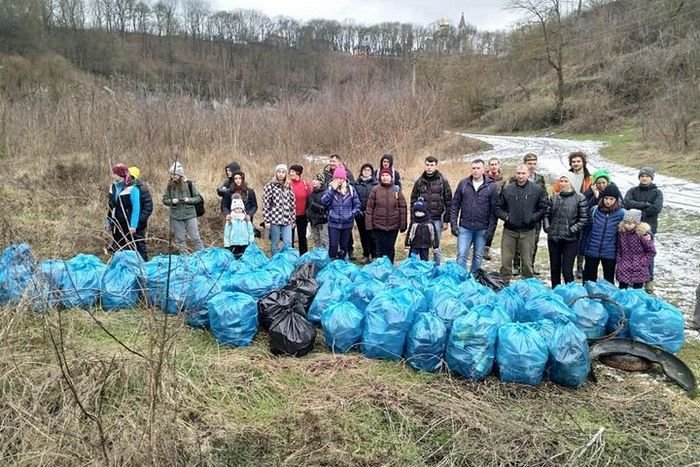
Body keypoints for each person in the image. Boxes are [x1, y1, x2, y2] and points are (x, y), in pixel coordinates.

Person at [495, 164, 548, 284]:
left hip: (528, 230)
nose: (521, 176)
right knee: (506, 259)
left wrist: (532, 218)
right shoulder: (508, 189)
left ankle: (527, 283)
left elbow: (543, 207)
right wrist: (506, 217)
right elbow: (498, 207)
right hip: (510, 230)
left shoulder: (536, 189)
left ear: (528, 174)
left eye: (523, 173)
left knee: (527, 260)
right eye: (518, 173)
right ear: (515, 174)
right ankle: (504, 283)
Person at [450, 159, 499, 273]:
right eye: (473, 168)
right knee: (461, 255)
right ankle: (460, 278)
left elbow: (494, 211)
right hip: (465, 227)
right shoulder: (463, 184)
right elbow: (455, 205)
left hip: (482, 228)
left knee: (477, 256)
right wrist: (453, 224)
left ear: (483, 169)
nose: (475, 171)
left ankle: (474, 279)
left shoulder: (491, 187)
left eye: (478, 168)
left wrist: (491, 229)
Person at [543, 173, 588, 287]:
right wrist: (548, 228)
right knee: (554, 268)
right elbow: (546, 215)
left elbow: (583, 219)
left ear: (571, 183)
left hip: (570, 239)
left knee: (567, 270)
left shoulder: (579, 198)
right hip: (554, 238)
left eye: (566, 181)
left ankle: (570, 292)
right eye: (561, 181)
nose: (563, 184)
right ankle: (555, 291)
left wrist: (572, 230)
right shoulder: (554, 198)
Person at [624, 166, 663, 293]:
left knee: (647, 254)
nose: (644, 178)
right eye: (642, 176)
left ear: (651, 178)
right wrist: (645, 205)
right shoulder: (633, 190)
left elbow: (656, 208)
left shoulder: (657, 193)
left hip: (648, 228)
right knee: (631, 253)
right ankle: (631, 278)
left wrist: (639, 212)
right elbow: (627, 203)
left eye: (647, 176)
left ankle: (649, 280)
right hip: (631, 228)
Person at [410, 156, 452, 264]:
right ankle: (419, 267)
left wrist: (447, 221)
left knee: (436, 245)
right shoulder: (419, 182)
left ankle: (436, 268)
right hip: (420, 219)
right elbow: (413, 201)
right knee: (418, 244)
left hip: (436, 218)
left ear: (436, 166)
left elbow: (448, 201)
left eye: (432, 165)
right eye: (427, 165)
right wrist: (413, 218)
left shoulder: (443, 181)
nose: (429, 167)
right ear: (425, 165)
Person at [580, 184, 625, 283]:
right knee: (589, 278)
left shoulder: (622, 214)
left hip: (610, 252)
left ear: (616, 200)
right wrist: (583, 248)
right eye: (606, 198)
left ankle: (606, 297)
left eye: (611, 199)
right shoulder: (594, 210)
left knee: (608, 279)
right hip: (592, 250)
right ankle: (588, 296)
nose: (608, 201)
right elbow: (586, 230)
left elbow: (632, 229)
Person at [512, 153, 548, 275]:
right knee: (518, 241)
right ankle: (516, 265)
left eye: (534, 163)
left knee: (533, 242)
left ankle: (529, 265)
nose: (532, 166)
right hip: (519, 215)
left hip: (535, 216)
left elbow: (544, 196)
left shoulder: (540, 178)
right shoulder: (515, 178)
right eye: (529, 163)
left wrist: (541, 213)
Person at [366, 167, 407, 263]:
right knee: (380, 249)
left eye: (387, 175)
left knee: (390, 248)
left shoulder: (396, 190)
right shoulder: (375, 190)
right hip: (378, 226)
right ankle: (380, 269)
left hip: (393, 226)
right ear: (380, 177)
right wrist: (369, 225)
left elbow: (403, 207)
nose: (385, 177)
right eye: (383, 175)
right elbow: (369, 208)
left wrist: (403, 225)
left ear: (391, 177)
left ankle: (390, 267)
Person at [162, 162, 204, 251]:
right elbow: (165, 200)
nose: (173, 176)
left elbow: (198, 198)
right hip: (176, 215)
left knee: (195, 238)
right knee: (180, 240)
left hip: (190, 214)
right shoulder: (169, 186)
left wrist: (188, 200)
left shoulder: (188, 184)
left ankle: (202, 255)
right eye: (172, 174)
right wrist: (172, 201)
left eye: (175, 174)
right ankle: (184, 258)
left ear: (180, 174)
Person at [321, 165, 361, 260]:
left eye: (341, 178)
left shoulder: (350, 190)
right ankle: (331, 264)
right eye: (337, 178)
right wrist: (332, 190)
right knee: (333, 246)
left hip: (347, 223)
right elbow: (324, 201)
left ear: (344, 179)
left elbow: (357, 205)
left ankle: (342, 264)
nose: (339, 180)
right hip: (333, 223)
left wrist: (351, 214)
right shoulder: (330, 189)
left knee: (344, 246)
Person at [615, 209, 656, 289]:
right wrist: (619, 260)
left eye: (630, 223)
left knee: (637, 289)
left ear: (637, 223)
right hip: (624, 264)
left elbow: (651, 251)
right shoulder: (622, 233)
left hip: (639, 266)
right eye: (626, 223)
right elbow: (619, 248)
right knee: (622, 287)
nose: (627, 225)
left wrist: (643, 262)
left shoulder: (642, 235)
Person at [106, 164, 141, 254]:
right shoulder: (112, 187)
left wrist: (133, 225)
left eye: (114, 173)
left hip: (126, 222)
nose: (112, 175)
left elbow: (136, 208)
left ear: (120, 174)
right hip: (115, 221)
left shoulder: (132, 189)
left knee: (127, 246)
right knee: (117, 246)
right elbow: (110, 206)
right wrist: (108, 221)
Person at [262, 164, 296, 256]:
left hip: (287, 220)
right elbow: (266, 204)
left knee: (288, 243)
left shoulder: (289, 186)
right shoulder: (270, 186)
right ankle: (275, 262)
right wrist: (267, 220)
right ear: (276, 173)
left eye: (283, 172)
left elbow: (292, 204)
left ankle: (287, 261)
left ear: (286, 174)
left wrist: (293, 219)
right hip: (274, 219)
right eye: (279, 172)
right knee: (275, 243)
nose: (281, 174)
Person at [354, 163, 379, 263]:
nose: (366, 172)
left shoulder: (376, 184)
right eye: (364, 170)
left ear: (371, 172)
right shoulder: (356, 184)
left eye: (368, 170)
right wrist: (357, 210)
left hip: (371, 214)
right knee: (363, 235)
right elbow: (354, 198)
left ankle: (374, 255)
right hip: (360, 213)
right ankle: (366, 254)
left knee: (372, 236)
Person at [128, 166, 153, 261]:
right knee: (130, 243)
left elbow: (148, 207)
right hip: (130, 222)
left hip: (140, 223)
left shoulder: (142, 189)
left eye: (131, 176)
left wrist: (139, 220)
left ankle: (144, 262)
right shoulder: (127, 188)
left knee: (140, 243)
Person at [483, 157, 506, 261]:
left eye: (495, 164)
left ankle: (486, 249)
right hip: (483, 207)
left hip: (495, 208)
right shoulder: (483, 178)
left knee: (491, 229)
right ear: (489, 166)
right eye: (491, 164)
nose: (493, 166)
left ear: (499, 165)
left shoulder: (503, 180)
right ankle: (478, 247)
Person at [289, 164, 312, 255]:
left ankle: (303, 255)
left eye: (292, 172)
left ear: (298, 173)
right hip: (290, 215)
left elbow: (310, 199)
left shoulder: (305, 185)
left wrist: (309, 213)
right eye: (290, 172)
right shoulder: (288, 184)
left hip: (302, 215)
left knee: (302, 237)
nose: (290, 173)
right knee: (289, 237)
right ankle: (291, 255)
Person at [224, 194, 255, 259]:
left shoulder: (245, 219)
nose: (238, 210)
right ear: (233, 209)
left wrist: (251, 241)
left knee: (244, 258)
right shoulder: (230, 219)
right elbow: (227, 233)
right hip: (234, 243)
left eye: (240, 208)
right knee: (235, 258)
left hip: (244, 242)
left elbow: (250, 231)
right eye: (237, 208)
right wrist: (227, 244)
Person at [306, 173, 329, 249]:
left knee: (324, 241)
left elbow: (325, 207)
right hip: (313, 221)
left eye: (316, 180)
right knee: (316, 240)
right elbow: (309, 207)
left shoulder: (326, 193)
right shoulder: (311, 193)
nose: (314, 182)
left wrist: (314, 205)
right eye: (313, 179)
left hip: (322, 221)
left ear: (321, 182)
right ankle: (318, 257)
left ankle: (326, 257)